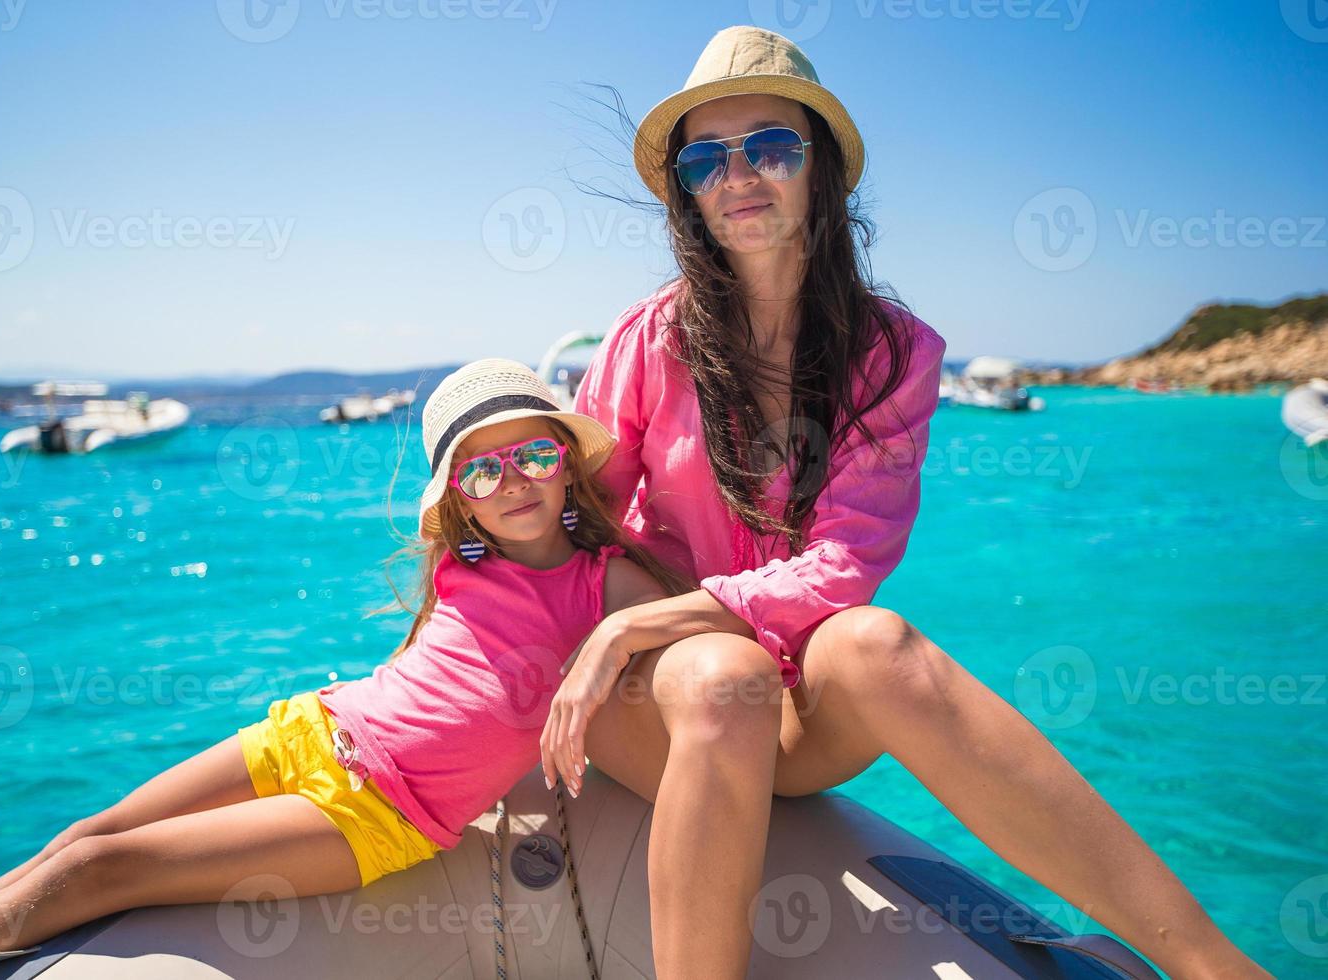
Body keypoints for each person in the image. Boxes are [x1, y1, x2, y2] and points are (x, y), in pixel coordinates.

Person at [537, 25, 1269, 980]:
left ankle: (1214, 963)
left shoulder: (891, 354)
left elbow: (844, 564)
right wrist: (620, 629)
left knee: (872, 642)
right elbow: (578, 521)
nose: (739, 174)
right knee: (721, 673)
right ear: (686, 189)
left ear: (822, 169)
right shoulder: (650, 341)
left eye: (771, 147)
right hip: (663, 694)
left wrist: (668, 620)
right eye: (707, 158)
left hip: (785, 708)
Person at [0, 359, 683, 980]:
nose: (512, 482)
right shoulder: (462, 566)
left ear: (566, 463)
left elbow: (722, 617)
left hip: (380, 814)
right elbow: (433, 669)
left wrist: (610, 645)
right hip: (313, 730)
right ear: (460, 497)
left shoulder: (607, 582)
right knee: (87, 830)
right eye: (481, 470)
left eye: (533, 456)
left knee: (95, 869)